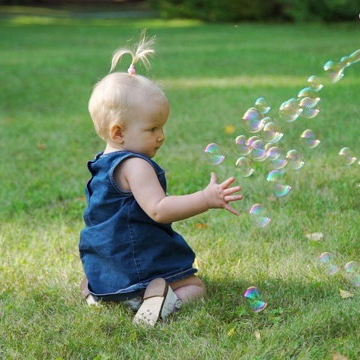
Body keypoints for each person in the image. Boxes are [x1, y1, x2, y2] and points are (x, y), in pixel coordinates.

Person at [79, 32, 243, 326]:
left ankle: (99, 293)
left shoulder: (101, 164)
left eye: (162, 127)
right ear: (118, 133)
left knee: (109, 280)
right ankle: (160, 301)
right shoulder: (135, 166)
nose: (161, 136)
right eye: (153, 128)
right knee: (195, 286)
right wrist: (206, 199)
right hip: (138, 262)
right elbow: (159, 209)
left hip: (106, 265)